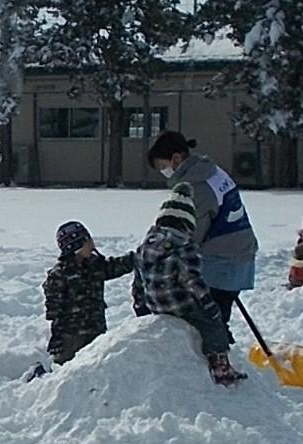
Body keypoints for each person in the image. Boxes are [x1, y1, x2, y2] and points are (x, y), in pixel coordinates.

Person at [146, 130, 258, 332]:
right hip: (238, 254)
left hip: (222, 262)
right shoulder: (208, 170)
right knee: (216, 316)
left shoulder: (195, 187)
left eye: (163, 166)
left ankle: (218, 357)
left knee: (208, 324)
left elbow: (189, 233)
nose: (163, 173)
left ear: (177, 158)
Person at [136, 190, 247, 386]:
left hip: (155, 304)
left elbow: (138, 277)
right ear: (188, 225)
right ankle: (221, 368)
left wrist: (140, 303)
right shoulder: (186, 247)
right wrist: (211, 308)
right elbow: (193, 282)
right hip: (180, 306)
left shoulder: (146, 245)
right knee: (214, 327)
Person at [42, 221, 137, 366]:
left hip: (95, 330)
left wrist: (138, 257)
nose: (92, 244)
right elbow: (55, 312)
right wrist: (58, 337)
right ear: (75, 246)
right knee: (67, 370)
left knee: (94, 368)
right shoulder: (60, 275)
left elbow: (115, 266)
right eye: (87, 241)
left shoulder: (94, 265)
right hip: (72, 337)